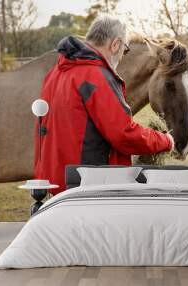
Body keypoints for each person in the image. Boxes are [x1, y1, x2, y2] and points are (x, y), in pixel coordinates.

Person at [34, 16, 174, 195]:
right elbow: (123, 134)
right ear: (115, 44)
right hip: (88, 185)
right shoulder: (96, 77)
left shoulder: (56, 73)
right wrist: (164, 141)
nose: (123, 55)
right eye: (125, 49)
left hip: (58, 183)